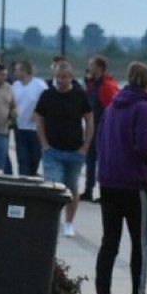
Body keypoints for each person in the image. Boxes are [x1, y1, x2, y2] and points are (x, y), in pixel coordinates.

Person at [92, 62, 147, 294]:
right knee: (139, 243)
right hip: (133, 183)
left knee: (109, 242)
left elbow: (100, 140)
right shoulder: (143, 108)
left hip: (108, 182)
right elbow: (144, 146)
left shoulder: (111, 107)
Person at [34, 61, 93, 237]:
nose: (61, 80)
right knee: (53, 184)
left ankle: (69, 222)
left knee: (72, 186)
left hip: (75, 149)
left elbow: (89, 119)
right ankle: (51, 221)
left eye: (65, 77)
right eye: (58, 77)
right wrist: (44, 144)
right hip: (52, 150)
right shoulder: (47, 95)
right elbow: (38, 118)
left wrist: (86, 146)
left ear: (71, 77)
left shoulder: (80, 95)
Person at [80, 55, 119, 201]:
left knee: (103, 162)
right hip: (93, 127)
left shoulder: (106, 86)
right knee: (91, 161)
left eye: (91, 64)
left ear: (99, 68)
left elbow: (112, 109)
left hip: (103, 129)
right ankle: (89, 190)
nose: (88, 67)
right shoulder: (93, 84)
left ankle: (105, 193)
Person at [13, 60, 48, 176]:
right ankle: (24, 181)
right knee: (22, 159)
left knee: (34, 157)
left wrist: (38, 113)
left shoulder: (40, 85)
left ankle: (32, 175)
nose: (15, 73)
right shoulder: (15, 85)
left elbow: (46, 102)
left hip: (35, 129)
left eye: (17, 70)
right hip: (20, 127)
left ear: (25, 71)